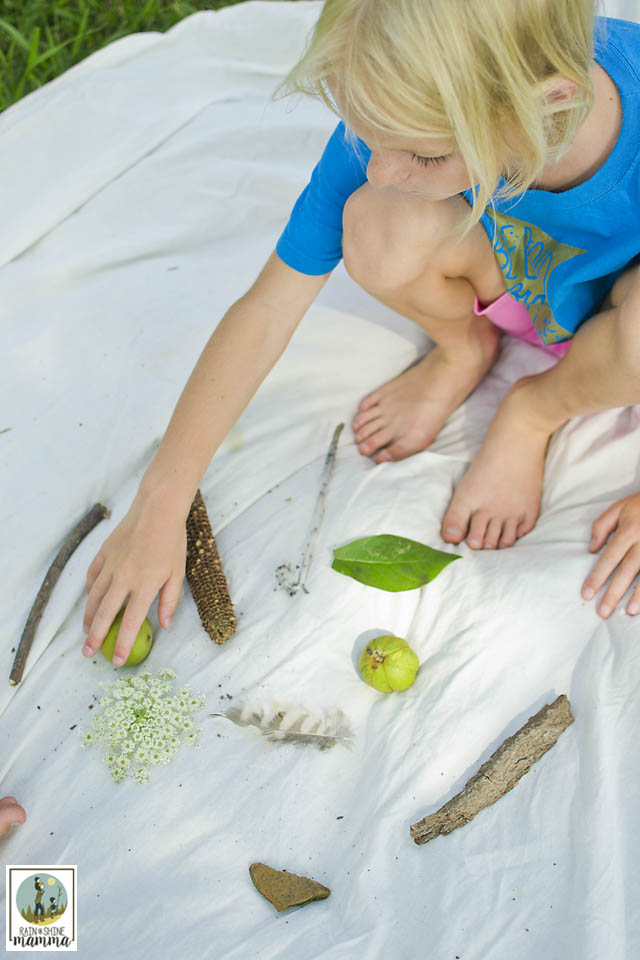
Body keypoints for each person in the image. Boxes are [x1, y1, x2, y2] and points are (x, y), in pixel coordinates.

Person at [82, 0, 640, 668]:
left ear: (548, 103)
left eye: (424, 153)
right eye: (363, 133)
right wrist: (162, 498)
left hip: (620, 336)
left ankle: (533, 409)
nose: (380, 168)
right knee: (378, 225)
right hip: (510, 285)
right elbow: (266, 310)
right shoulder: (403, 113)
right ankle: (464, 347)